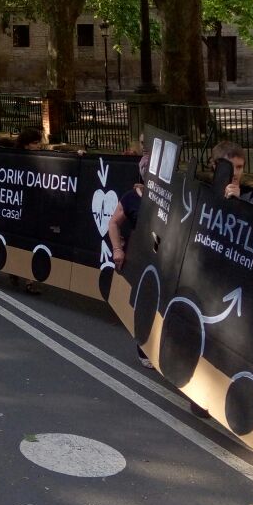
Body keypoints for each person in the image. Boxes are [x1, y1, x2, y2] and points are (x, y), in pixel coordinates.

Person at [107, 155, 154, 368]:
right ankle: (143, 349)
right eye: (148, 169)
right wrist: (117, 249)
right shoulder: (131, 197)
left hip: (167, 260)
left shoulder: (171, 198)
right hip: (142, 259)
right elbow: (113, 223)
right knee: (145, 303)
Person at [210, 140, 253, 208]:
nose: (235, 173)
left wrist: (237, 202)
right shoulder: (204, 191)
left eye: (239, 167)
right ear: (215, 166)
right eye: (229, 167)